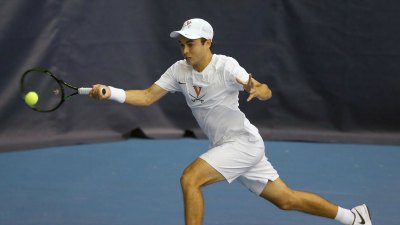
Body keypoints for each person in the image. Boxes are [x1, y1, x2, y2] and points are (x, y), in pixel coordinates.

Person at [89, 18, 372, 225]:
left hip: (242, 144)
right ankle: (353, 217)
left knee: (190, 179)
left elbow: (262, 88)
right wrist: (110, 92)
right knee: (286, 200)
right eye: (182, 45)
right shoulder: (179, 70)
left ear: (207, 42)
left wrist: (258, 90)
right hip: (228, 145)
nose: (185, 51)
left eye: (191, 44)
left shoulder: (226, 67)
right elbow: (148, 96)